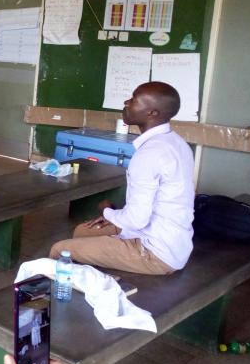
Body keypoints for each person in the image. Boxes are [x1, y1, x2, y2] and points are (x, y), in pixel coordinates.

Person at [49, 81, 195, 275]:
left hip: (154, 252)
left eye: (134, 99)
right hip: (170, 239)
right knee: (82, 232)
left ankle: (51, 298)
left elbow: (136, 220)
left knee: (60, 250)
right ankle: (89, 277)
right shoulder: (176, 142)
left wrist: (107, 211)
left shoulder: (149, 154)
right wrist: (117, 215)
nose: (126, 102)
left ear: (152, 113)